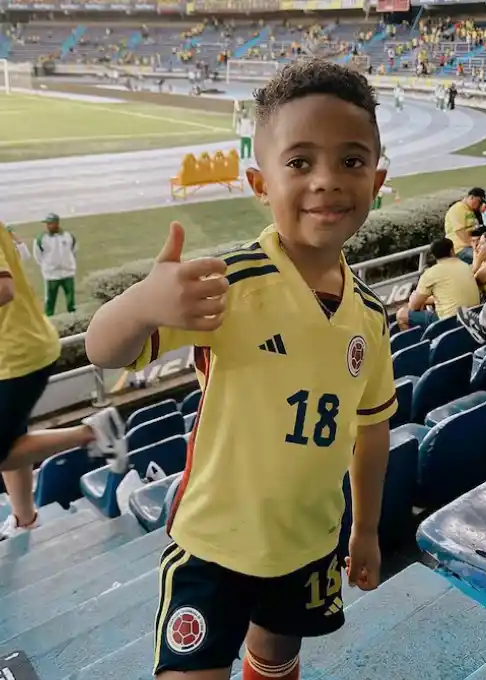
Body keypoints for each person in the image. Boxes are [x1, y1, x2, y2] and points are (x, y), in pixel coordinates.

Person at [85, 59, 397, 680]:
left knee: (277, 659)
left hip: (311, 545)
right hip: (214, 545)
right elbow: (104, 350)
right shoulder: (227, 284)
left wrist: (364, 531)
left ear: (378, 178)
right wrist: (142, 303)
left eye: (351, 161)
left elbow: (371, 429)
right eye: (300, 162)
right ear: (259, 183)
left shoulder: (370, 315)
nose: (327, 181)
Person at [0, 221, 127, 541]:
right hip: (17, 351)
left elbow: (3, 289)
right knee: (10, 438)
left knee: (3, 450)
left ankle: (93, 432)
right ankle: (25, 519)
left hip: (14, 355)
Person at [396, 237, 480, 330]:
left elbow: (413, 306)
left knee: (401, 315)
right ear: (452, 251)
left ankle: (416, 344)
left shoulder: (430, 274)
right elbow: (449, 294)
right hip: (473, 316)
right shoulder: (465, 265)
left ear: (434, 255)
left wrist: (414, 298)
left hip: (449, 322)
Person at [33, 213, 78, 316]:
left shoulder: (68, 236)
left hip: (68, 273)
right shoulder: (41, 239)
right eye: (47, 223)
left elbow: (74, 251)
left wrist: (69, 264)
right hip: (51, 275)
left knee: (71, 299)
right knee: (50, 300)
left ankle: (73, 317)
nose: (48, 226)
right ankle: (49, 318)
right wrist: (47, 266)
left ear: (57, 223)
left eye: (51, 223)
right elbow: (38, 256)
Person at [444, 188, 486, 264]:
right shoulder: (458, 209)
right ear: (471, 197)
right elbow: (461, 234)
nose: (480, 204)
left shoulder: (470, 210)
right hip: (460, 249)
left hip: (470, 245)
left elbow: (476, 229)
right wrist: (476, 246)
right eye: (479, 202)